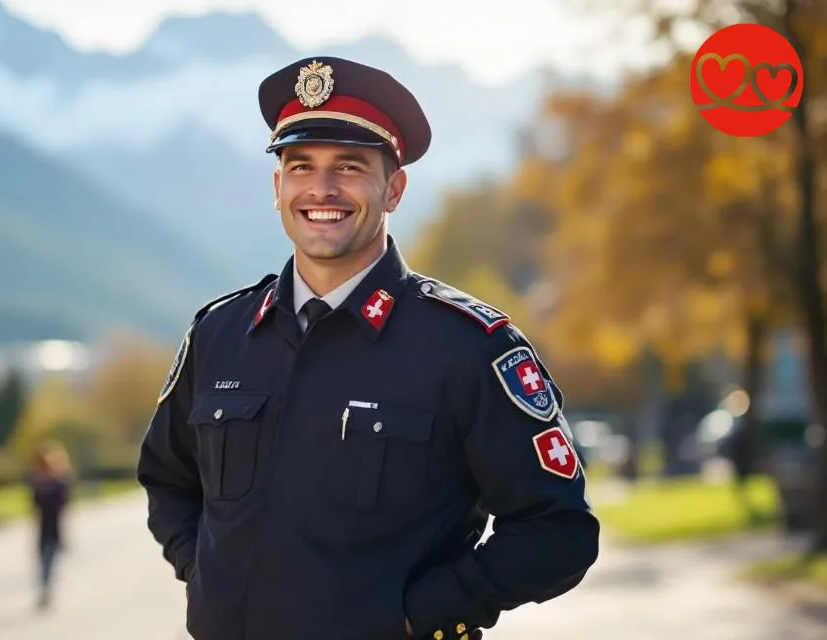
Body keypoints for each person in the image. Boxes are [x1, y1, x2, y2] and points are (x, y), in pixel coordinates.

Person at [137, 56, 600, 640]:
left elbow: (558, 530)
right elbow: (168, 480)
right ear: (278, 188)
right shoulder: (219, 335)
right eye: (301, 166)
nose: (322, 189)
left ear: (394, 189)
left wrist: (420, 615)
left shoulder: (466, 347)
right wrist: (208, 577)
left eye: (349, 167)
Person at [29, 439, 72, 610]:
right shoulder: (38, 485)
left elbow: (64, 511)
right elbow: (35, 509)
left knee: (49, 561)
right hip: (42, 529)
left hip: (54, 529)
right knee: (42, 562)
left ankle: (47, 590)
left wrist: (65, 535)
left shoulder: (58, 485)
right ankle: (45, 588)